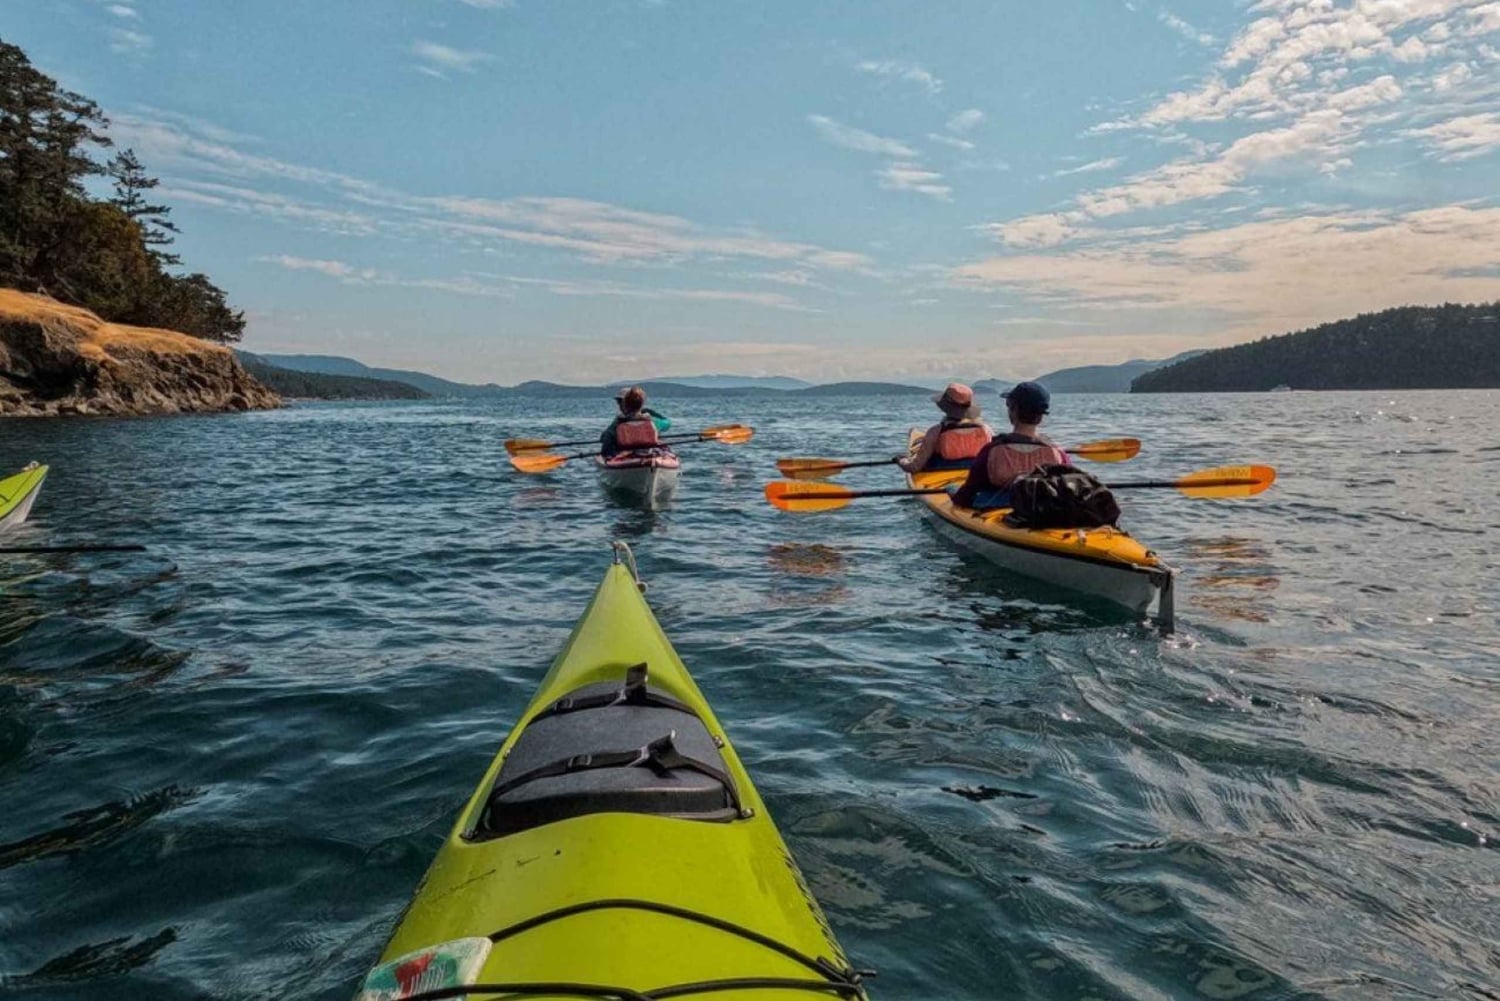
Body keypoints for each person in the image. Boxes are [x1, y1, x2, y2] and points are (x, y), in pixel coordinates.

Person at [951, 381, 1069, 509]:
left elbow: (965, 495)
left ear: (1013, 411)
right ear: (1040, 417)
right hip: (1044, 511)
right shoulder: (1058, 453)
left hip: (996, 510)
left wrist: (953, 497)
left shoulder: (991, 450)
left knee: (951, 488)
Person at [898, 383, 993, 473]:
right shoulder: (986, 429)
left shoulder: (936, 431)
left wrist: (901, 460)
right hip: (978, 470)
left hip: (944, 469)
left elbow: (915, 467)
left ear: (946, 407)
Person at [600, 386, 672, 458]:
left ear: (625, 403)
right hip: (647, 451)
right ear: (641, 403)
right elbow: (667, 423)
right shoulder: (652, 420)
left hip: (625, 453)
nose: (620, 406)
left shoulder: (618, 422)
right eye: (619, 402)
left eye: (620, 402)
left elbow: (604, 438)